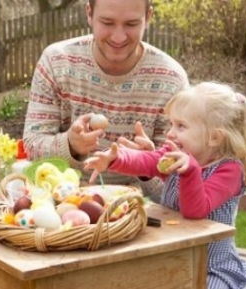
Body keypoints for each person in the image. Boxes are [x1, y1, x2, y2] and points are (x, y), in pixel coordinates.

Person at [84, 82, 246, 289]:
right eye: (171, 124)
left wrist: (190, 171)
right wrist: (114, 159)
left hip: (208, 263)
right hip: (170, 255)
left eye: (181, 126)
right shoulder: (177, 156)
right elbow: (146, 161)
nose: (170, 133)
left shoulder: (230, 170)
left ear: (214, 137)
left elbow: (196, 210)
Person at [22, 0, 189, 201]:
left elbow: (179, 189)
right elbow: (31, 146)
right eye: (108, 23)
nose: (118, 37)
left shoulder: (171, 80)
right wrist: (70, 145)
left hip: (137, 215)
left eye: (131, 24)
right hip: (63, 206)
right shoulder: (56, 62)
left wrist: (146, 166)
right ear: (89, 13)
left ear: (148, 18)